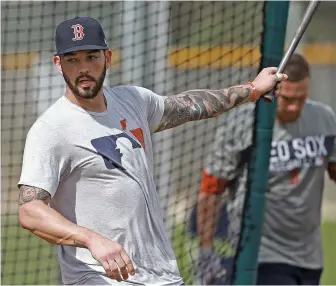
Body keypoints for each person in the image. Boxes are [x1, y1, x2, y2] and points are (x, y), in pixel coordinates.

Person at [17, 16, 286, 285]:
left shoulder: (133, 101)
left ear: (108, 58)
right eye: (72, 59)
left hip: (160, 274)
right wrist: (91, 239)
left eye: (91, 57)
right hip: (98, 277)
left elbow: (190, 105)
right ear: (58, 64)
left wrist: (252, 89)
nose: (83, 68)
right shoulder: (51, 129)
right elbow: (30, 211)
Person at [196, 53, 336, 285]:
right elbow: (212, 186)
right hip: (258, 252)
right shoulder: (243, 124)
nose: (294, 107)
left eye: (301, 99)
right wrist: (205, 250)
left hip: (309, 255)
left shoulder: (324, 118)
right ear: (272, 91)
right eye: (288, 99)